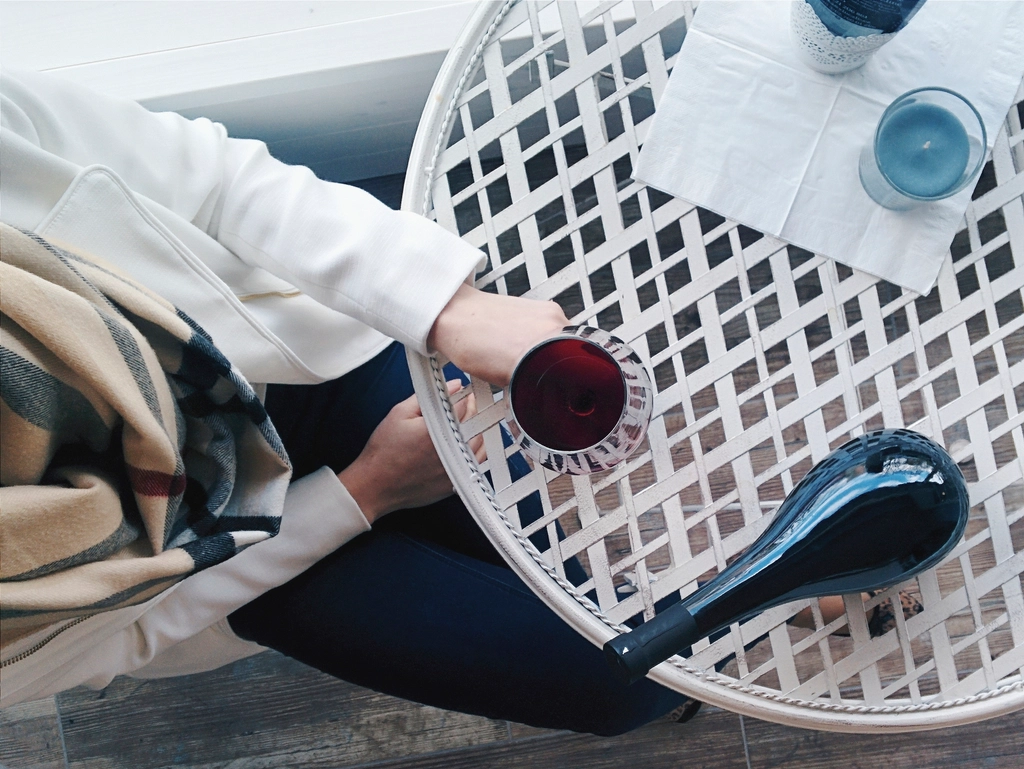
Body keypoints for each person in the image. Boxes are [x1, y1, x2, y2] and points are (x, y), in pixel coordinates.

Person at [0, 69, 689, 734]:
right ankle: (712, 632)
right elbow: (138, 630)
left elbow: (216, 182)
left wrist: (450, 311)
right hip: (213, 560)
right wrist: (365, 493)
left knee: (562, 590)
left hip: (284, 366)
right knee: (617, 686)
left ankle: (661, 614)